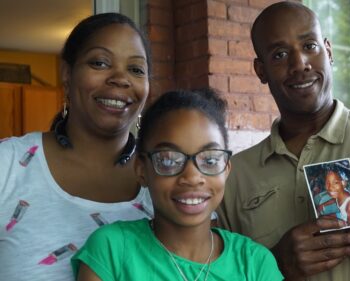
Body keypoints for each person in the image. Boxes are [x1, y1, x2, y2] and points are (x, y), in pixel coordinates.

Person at [217, 2, 350, 280]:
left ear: (328, 51)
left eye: (310, 46)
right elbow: (214, 272)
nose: (300, 64)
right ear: (261, 71)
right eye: (280, 54)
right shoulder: (233, 176)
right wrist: (273, 261)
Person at [0, 13, 152, 281]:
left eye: (136, 69)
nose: (120, 78)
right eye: (100, 62)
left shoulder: (169, 177)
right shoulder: (8, 165)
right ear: (67, 75)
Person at [71, 89, 284, 280]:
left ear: (226, 169)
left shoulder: (255, 263)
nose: (192, 177)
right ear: (141, 169)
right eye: (168, 160)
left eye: (209, 160)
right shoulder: (112, 250)